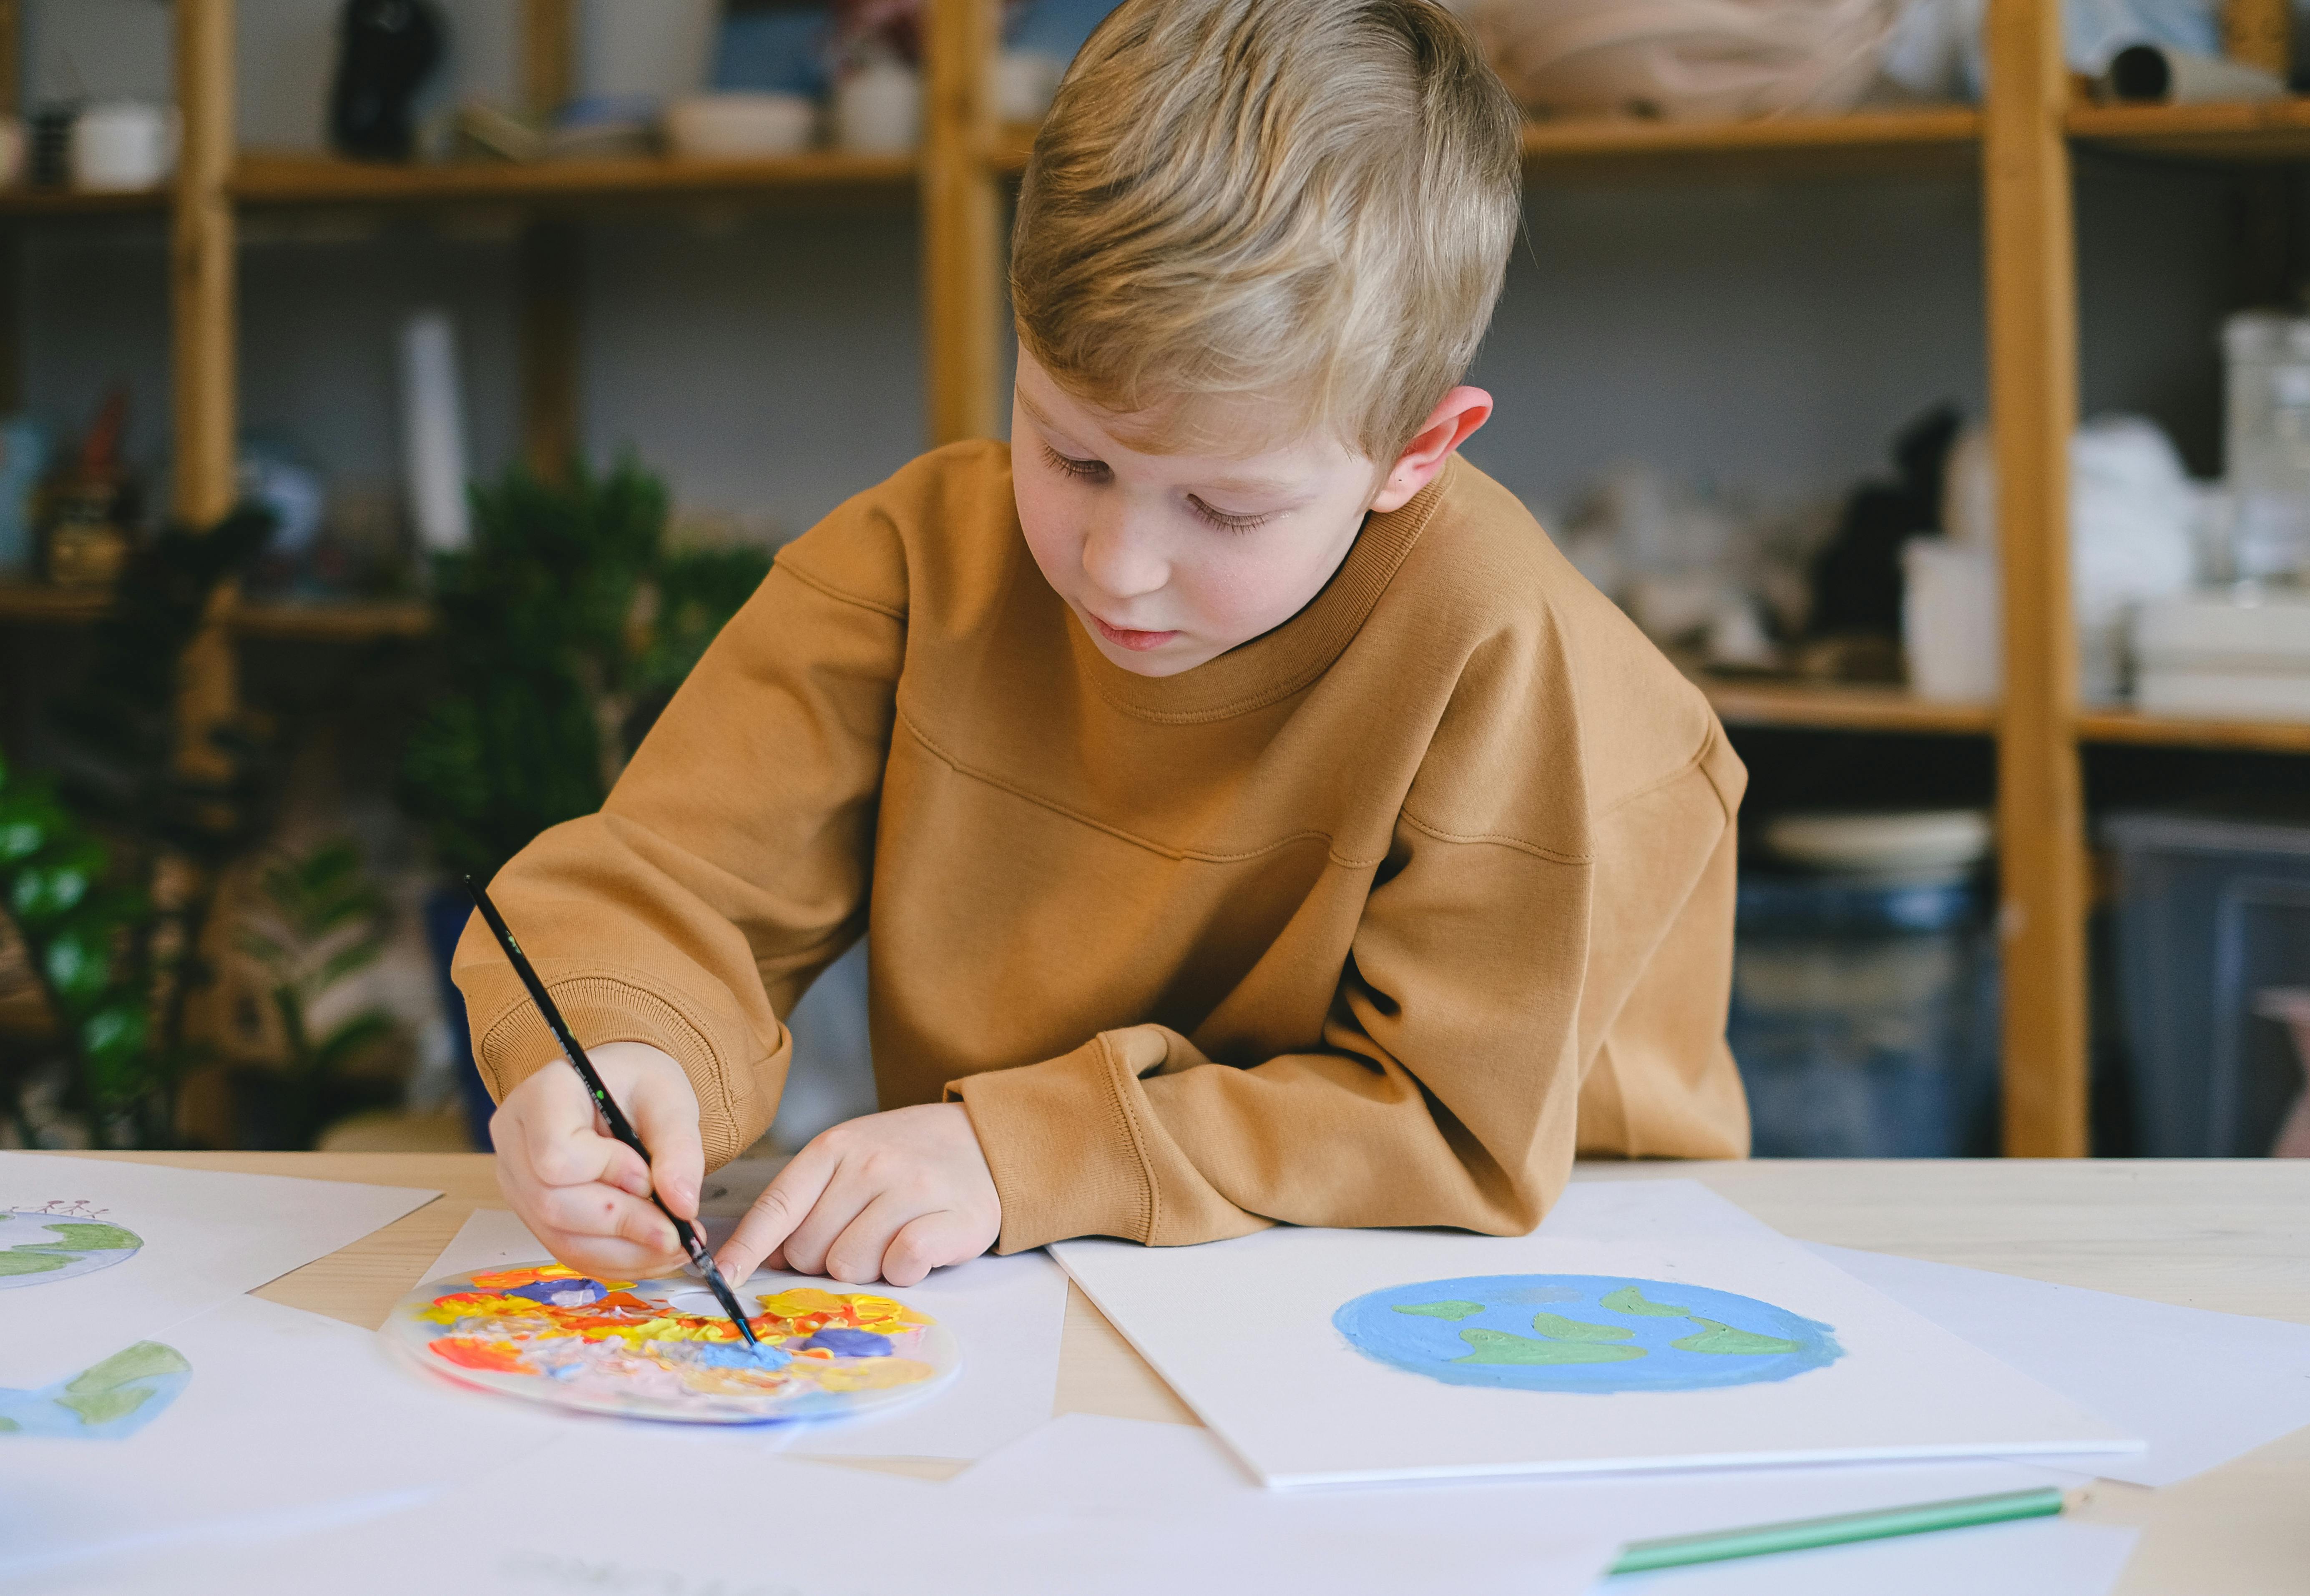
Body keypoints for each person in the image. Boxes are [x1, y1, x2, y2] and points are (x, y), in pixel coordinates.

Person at [456, 0, 1748, 1292]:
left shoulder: (1515, 662)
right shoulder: (914, 569)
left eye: (1226, 506)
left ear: (1418, 453)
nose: (1116, 563)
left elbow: (1448, 1130)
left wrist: (1027, 1151)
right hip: (1056, 1266)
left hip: (1522, 1289)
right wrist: (621, 1047)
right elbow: (675, 892)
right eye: (1072, 452)